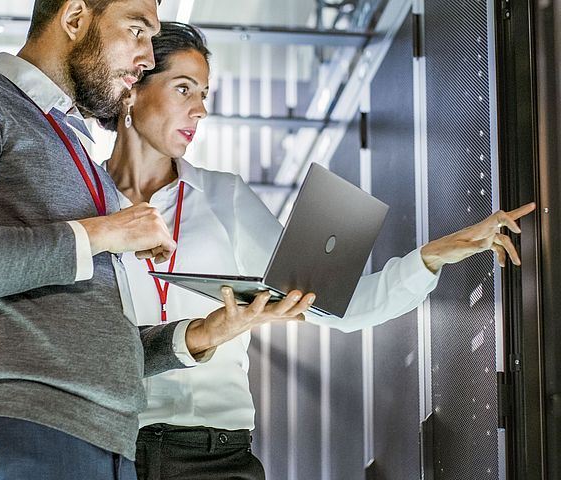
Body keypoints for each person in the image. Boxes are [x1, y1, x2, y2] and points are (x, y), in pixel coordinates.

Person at [101, 22, 535, 480]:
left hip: (212, 454)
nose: (201, 109)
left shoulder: (223, 196)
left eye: (204, 93)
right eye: (184, 89)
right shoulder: (80, 199)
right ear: (132, 86)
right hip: (104, 444)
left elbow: (337, 307)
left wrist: (431, 257)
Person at [0, 3, 313, 480]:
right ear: (75, 17)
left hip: (112, 442)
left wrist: (202, 334)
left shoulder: (78, 152)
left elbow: (101, 344)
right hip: (29, 427)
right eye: (136, 30)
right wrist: (109, 231)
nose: (147, 56)